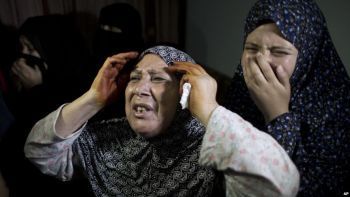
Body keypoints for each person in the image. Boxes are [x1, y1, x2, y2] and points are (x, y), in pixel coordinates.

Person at [24, 45, 299, 196]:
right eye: (135, 78)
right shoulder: (110, 139)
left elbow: (276, 185)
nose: (139, 89)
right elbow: (39, 151)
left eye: (157, 79)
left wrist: (208, 109)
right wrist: (93, 98)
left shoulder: (210, 151)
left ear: (185, 92)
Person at [223, 0, 350, 196]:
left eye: (279, 52)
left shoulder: (338, 110)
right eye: (251, 48)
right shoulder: (238, 92)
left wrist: (278, 115)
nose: (262, 61)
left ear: (308, 55)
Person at [0, 15, 93, 196]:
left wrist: (39, 90)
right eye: (21, 48)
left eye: (31, 48)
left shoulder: (80, 102)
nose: (22, 57)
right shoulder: (17, 97)